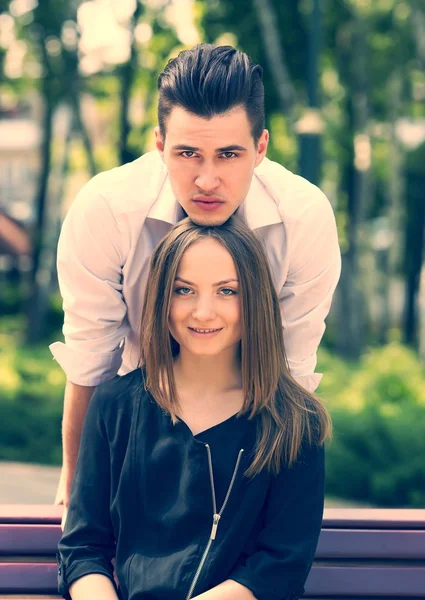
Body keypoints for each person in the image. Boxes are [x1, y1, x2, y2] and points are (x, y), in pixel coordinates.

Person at [50, 43, 340, 511]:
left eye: (228, 154)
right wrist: (76, 492)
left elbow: (291, 371)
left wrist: (275, 510)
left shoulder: (303, 220)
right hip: (137, 429)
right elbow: (90, 364)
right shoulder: (106, 209)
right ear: (160, 145)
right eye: (188, 153)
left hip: (248, 438)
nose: (207, 180)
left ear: (261, 147)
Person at [57, 217, 331, 600]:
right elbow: (84, 548)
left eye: (227, 291)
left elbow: (281, 565)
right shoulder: (115, 405)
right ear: (161, 299)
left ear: (255, 299)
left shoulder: (294, 421)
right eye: (184, 290)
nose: (203, 312)